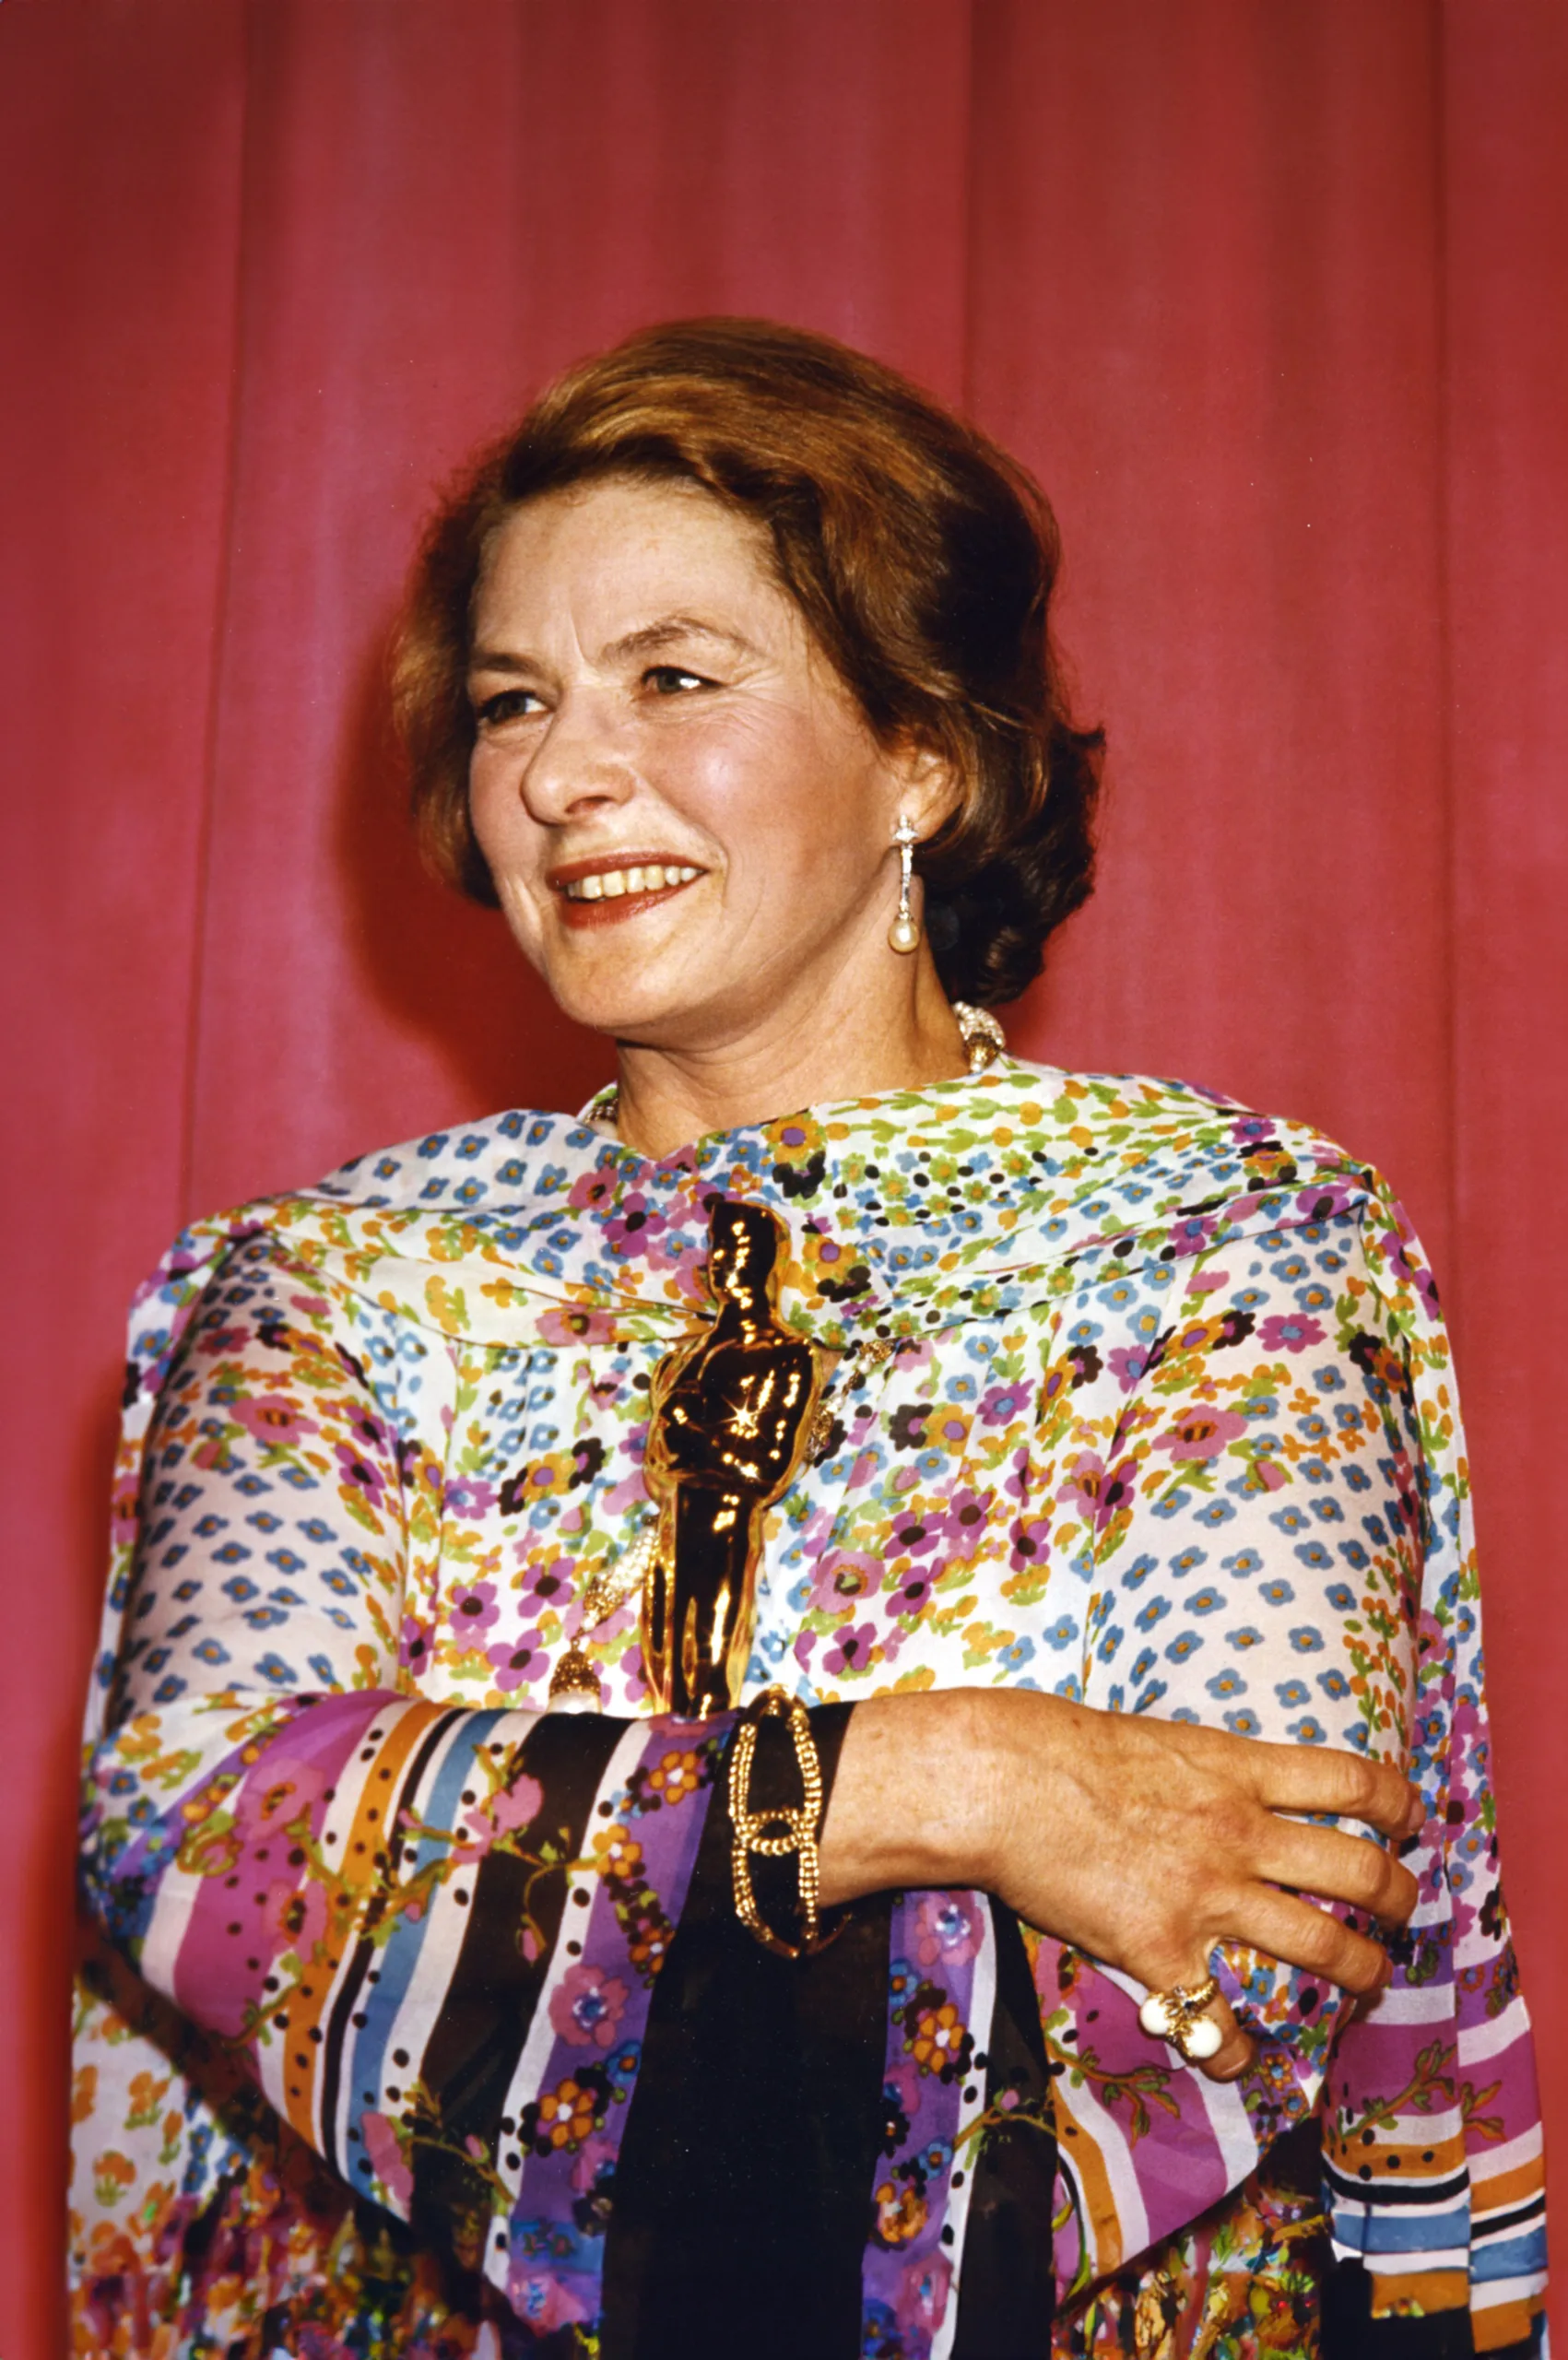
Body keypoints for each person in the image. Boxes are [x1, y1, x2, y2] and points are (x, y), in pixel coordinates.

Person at [71, 319, 1545, 2359]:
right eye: (515, 701)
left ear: (924, 751)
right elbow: (211, 1842)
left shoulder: (1219, 1250)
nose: (565, 774)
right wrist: (938, 1776)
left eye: (673, 676)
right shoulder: (329, 1287)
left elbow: (1239, 1941)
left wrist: (480, 1866)